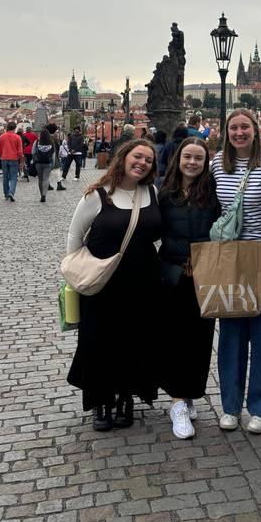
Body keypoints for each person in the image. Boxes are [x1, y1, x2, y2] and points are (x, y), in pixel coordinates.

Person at [66, 139, 161, 431]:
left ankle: (125, 397)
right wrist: (75, 275)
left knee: (134, 340)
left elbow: (158, 235)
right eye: (137, 156)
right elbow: (74, 237)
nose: (142, 163)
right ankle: (101, 401)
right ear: (123, 157)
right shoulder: (97, 195)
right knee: (98, 341)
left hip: (142, 281)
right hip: (102, 282)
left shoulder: (152, 192)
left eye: (148, 159)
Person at [210, 108, 261, 434]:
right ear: (227, 133)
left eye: (245, 127)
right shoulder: (216, 164)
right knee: (231, 334)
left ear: (256, 130)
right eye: (233, 128)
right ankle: (230, 406)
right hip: (232, 255)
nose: (239, 133)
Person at [158, 137, 221, 439]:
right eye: (188, 157)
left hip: (204, 275)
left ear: (205, 162)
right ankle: (176, 402)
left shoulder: (212, 191)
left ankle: (190, 394)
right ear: (178, 159)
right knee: (172, 338)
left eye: (198, 158)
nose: (192, 162)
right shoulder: (164, 192)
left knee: (200, 338)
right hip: (171, 273)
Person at [0, 122, 24, 201]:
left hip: (4, 158)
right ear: (14, 128)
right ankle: (11, 192)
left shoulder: (2, 136)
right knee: (13, 177)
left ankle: (6, 194)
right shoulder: (17, 137)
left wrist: (1, 155)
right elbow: (20, 151)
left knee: (5, 177)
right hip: (14, 159)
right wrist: (21, 161)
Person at [33, 128, 56, 202]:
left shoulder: (37, 142)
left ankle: (41, 194)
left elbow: (33, 152)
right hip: (48, 163)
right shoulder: (51, 142)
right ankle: (44, 195)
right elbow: (53, 155)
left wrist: (34, 160)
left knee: (40, 179)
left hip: (38, 163)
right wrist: (53, 164)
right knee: (46, 179)